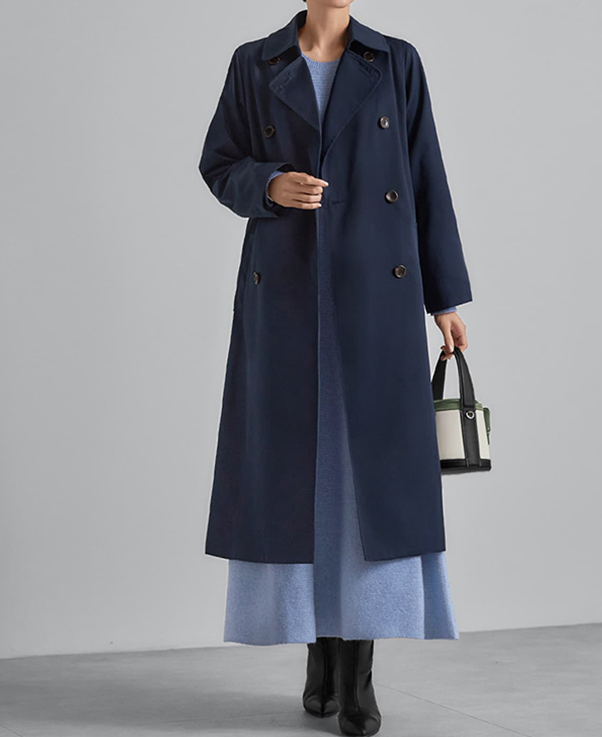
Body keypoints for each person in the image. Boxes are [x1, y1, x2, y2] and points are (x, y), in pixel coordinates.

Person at [198, 2, 472, 735]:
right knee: (299, 484)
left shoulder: (395, 60)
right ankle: (318, 652)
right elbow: (218, 163)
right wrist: (268, 184)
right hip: (287, 296)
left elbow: (425, 172)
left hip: (377, 294)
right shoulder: (255, 61)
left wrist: (444, 297)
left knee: (365, 490)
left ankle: (358, 676)